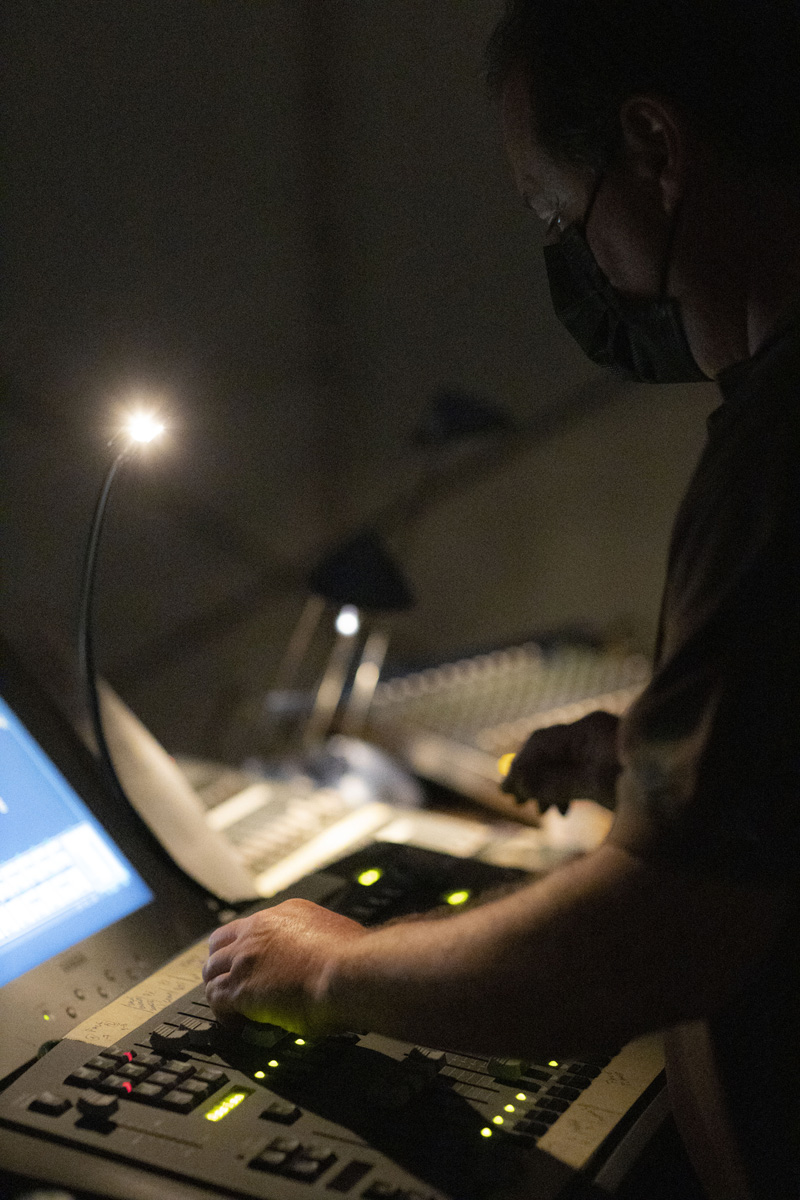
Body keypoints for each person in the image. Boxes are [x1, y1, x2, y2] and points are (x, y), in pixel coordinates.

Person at [203, 3, 800, 1195]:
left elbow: (653, 939)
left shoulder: (775, 459)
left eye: (550, 211)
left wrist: (331, 970)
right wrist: (658, 758)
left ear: (653, 148)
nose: (573, 259)